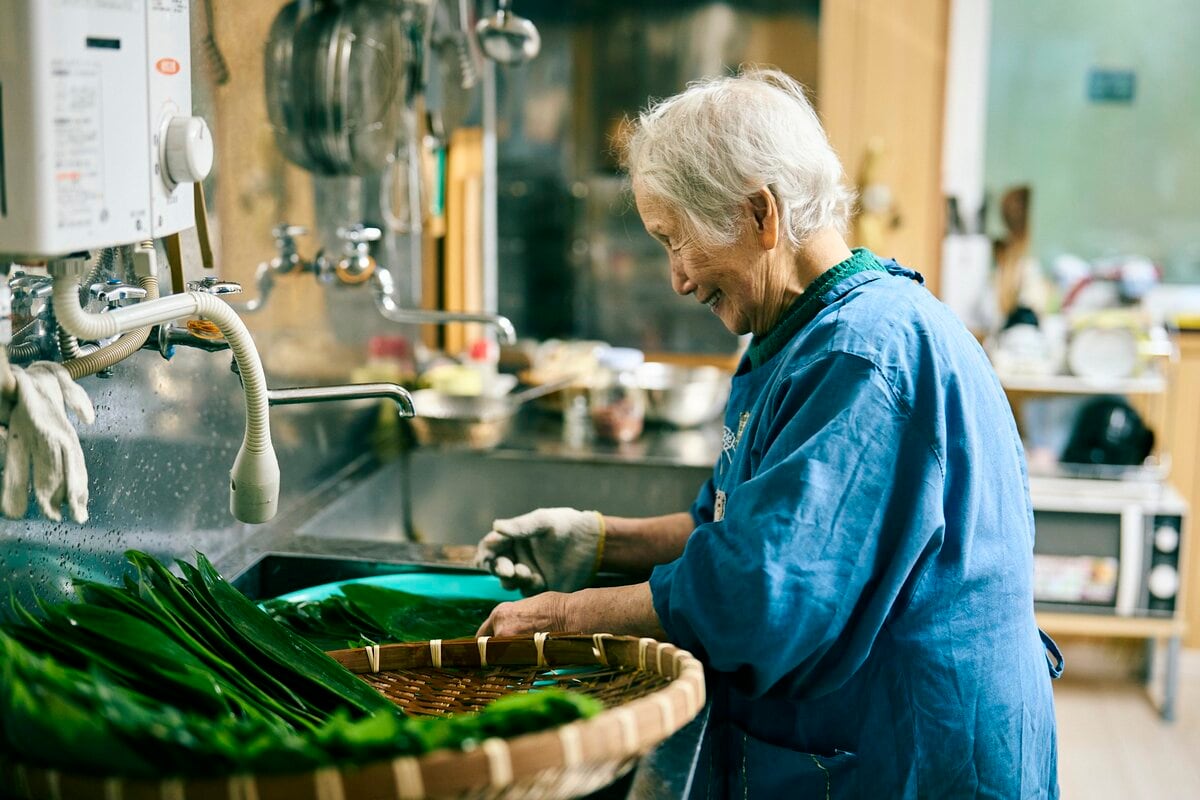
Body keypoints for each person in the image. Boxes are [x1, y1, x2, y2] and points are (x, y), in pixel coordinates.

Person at [475, 68, 1060, 798]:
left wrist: (565, 616)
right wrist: (600, 540)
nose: (678, 280)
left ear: (762, 215)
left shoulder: (861, 358)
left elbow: (757, 592)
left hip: (914, 755)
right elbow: (737, 530)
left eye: (676, 241)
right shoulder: (797, 335)